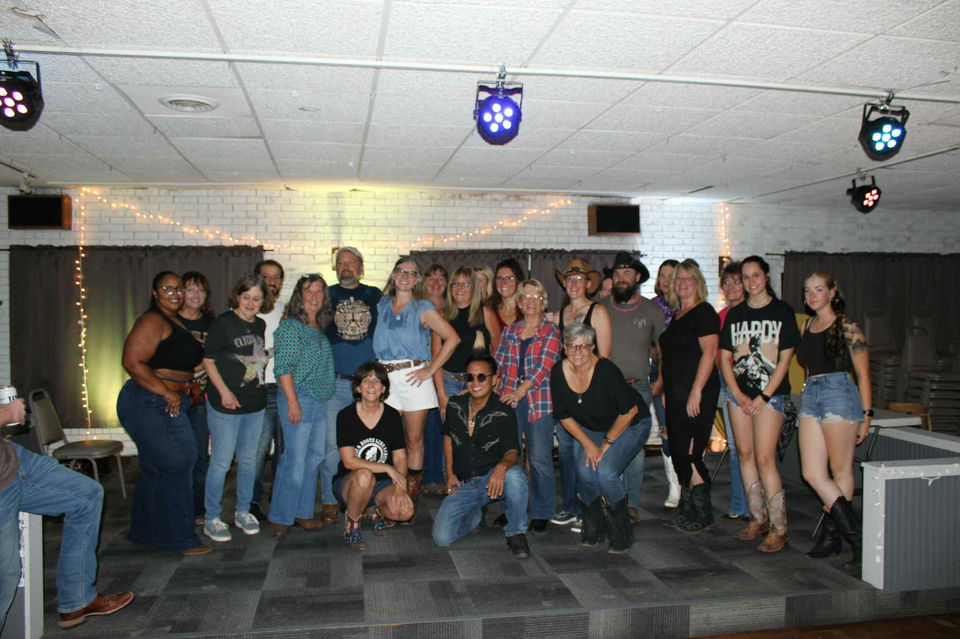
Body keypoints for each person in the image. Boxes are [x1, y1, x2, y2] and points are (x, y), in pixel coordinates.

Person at [1, 399, 134, 630]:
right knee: (5, 576)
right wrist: (6, 413)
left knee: (86, 495)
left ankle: (77, 600)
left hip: (11, 459)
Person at [117, 271, 209, 555]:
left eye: (178, 288)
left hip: (170, 400)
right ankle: (178, 538)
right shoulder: (153, 320)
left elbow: (179, 364)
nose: (175, 293)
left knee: (157, 468)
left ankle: (145, 532)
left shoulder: (175, 322)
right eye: (167, 288)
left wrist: (189, 388)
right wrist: (167, 392)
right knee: (179, 463)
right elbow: (132, 362)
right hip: (149, 400)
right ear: (155, 293)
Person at [719, 255, 801, 553]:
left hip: (771, 397)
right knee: (744, 454)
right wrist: (737, 394)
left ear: (766, 276)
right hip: (737, 396)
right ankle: (758, 518)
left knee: (765, 458)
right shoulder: (736, 314)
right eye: (746, 277)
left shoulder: (782, 311)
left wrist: (764, 396)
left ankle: (780, 529)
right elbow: (725, 358)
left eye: (756, 275)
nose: (751, 282)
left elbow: (785, 359)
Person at [373, 256, 460, 518]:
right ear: (393, 275)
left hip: (414, 378)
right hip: (385, 378)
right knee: (386, 440)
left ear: (417, 280)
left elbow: (452, 338)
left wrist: (431, 370)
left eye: (411, 273)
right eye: (401, 271)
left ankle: (408, 499)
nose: (405, 276)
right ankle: (387, 496)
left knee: (413, 440)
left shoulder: (423, 307)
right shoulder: (382, 304)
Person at [550, 322, 647, 554]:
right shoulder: (558, 372)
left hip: (630, 424)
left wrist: (605, 444)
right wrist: (588, 444)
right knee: (585, 471)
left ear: (593, 347)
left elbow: (629, 411)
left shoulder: (606, 371)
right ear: (564, 348)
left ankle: (620, 528)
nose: (578, 351)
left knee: (605, 472)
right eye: (572, 346)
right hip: (592, 426)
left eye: (584, 346)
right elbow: (563, 416)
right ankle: (594, 524)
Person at [797, 272, 872, 568]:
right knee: (812, 472)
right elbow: (808, 366)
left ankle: (837, 537)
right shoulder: (805, 326)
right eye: (808, 290)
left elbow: (863, 374)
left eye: (818, 289)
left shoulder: (847, 326)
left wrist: (867, 414)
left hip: (840, 392)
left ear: (831, 292)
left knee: (840, 470)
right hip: (812, 394)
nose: (812, 295)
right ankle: (854, 536)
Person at [432, 353, 531, 558]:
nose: (475, 383)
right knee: (441, 538)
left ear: (494, 380)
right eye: (470, 377)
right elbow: (448, 438)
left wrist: (501, 468)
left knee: (515, 476)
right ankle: (476, 514)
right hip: (465, 483)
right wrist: (450, 474)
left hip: (492, 480)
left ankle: (516, 533)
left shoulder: (503, 411)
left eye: (482, 377)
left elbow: (512, 452)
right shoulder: (455, 405)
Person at [201, 274, 270, 542]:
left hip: (254, 403)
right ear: (237, 297)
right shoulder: (223, 323)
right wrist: (224, 392)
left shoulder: (260, 324)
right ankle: (212, 517)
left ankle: (243, 511)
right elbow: (208, 361)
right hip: (225, 404)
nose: (251, 303)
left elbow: (255, 359)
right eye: (246, 297)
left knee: (248, 461)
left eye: (257, 299)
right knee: (221, 463)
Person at [657, 259, 721, 534]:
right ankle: (688, 509)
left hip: (697, 391)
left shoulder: (704, 312)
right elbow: (671, 358)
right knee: (679, 450)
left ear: (698, 282)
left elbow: (709, 353)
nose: (682, 283)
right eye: (678, 279)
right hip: (676, 393)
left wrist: (696, 391)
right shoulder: (677, 315)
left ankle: (703, 513)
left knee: (691, 452)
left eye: (687, 278)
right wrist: (666, 390)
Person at [269, 275, 336, 536]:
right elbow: (283, 368)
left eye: (319, 292)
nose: (314, 296)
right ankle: (281, 516)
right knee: (294, 460)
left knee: (314, 458)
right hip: (298, 396)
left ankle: (303, 513)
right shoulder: (290, 326)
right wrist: (292, 403)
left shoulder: (318, 325)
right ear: (300, 295)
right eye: (309, 291)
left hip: (319, 399)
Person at [494, 279, 562, 532]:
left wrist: (520, 391)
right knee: (508, 456)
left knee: (540, 459)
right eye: (526, 297)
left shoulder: (551, 331)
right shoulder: (510, 331)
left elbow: (544, 366)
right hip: (508, 400)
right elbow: (498, 362)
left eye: (537, 297)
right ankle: (509, 508)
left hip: (539, 401)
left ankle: (542, 511)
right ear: (520, 303)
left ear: (543, 303)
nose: (531, 301)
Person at [600, 252, 663, 524]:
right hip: (606, 391)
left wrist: (661, 379)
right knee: (606, 444)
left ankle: (632, 503)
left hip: (638, 389)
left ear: (637, 277)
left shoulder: (652, 311)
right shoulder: (600, 308)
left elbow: (663, 350)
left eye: (627, 273)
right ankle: (611, 499)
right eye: (617, 274)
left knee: (634, 450)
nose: (621, 278)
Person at [324, 247, 382, 524]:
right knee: (331, 445)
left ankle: (367, 497)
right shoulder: (325, 295)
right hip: (336, 383)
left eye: (351, 262)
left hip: (367, 386)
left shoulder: (374, 295)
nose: (345, 266)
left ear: (361, 267)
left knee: (368, 444)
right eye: (341, 262)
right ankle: (328, 500)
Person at [334, 362, 414, 550]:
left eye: (377, 381)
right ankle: (352, 524)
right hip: (350, 482)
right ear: (358, 388)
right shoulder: (345, 416)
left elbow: (400, 458)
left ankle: (374, 510)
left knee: (405, 512)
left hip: (382, 484)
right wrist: (387, 468)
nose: (371, 385)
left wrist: (399, 487)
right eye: (366, 380)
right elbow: (349, 461)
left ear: (383, 388)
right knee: (364, 475)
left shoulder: (392, 416)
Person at [433, 266, 501, 420]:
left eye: (466, 283)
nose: (460, 287)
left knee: (480, 428)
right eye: (456, 283)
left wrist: (492, 382)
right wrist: (441, 394)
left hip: (479, 382)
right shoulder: (441, 315)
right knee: (452, 431)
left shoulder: (486, 313)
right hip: (449, 383)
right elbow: (436, 358)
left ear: (474, 288)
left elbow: (498, 352)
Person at [179, 270, 215, 525]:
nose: (195, 295)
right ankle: (176, 506)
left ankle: (198, 509)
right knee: (176, 456)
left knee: (200, 455)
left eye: (200, 290)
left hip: (201, 400)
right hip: (172, 397)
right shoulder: (169, 321)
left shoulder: (212, 325)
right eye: (190, 289)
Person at [251, 259, 286, 521]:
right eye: (266, 276)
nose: (271, 281)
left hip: (285, 387)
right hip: (258, 389)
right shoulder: (246, 308)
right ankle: (250, 501)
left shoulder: (286, 310)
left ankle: (279, 498)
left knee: (284, 449)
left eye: (276, 277)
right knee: (258, 449)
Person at [717, 262, 750, 522]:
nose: (731, 287)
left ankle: (752, 505)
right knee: (735, 445)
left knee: (750, 448)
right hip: (724, 380)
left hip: (748, 381)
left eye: (736, 281)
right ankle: (741, 505)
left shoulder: (754, 313)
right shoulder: (721, 316)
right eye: (726, 282)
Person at [651, 259, 681, 510]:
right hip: (657, 371)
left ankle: (690, 480)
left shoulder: (687, 306)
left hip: (684, 374)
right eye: (662, 274)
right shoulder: (651, 306)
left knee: (685, 428)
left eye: (671, 275)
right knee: (666, 429)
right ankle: (675, 486)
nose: (665, 279)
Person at [420, 263, 449, 495]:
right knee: (426, 429)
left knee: (443, 428)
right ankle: (428, 477)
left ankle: (443, 476)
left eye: (441, 277)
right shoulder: (416, 306)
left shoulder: (452, 308)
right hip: (420, 374)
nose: (436, 282)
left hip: (447, 374)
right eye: (431, 277)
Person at [554, 257, 612, 357]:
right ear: (564, 283)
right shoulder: (557, 317)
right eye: (570, 278)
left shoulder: (598, 312)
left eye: (580, 279)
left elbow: (604, 357)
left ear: (588, 284)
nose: (574, 284)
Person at [491, 257, 524, 330]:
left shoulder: (527, 309)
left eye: (509, 278)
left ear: (518, 280)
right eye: (499, 278)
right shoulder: (491, 311)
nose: (504, 282)